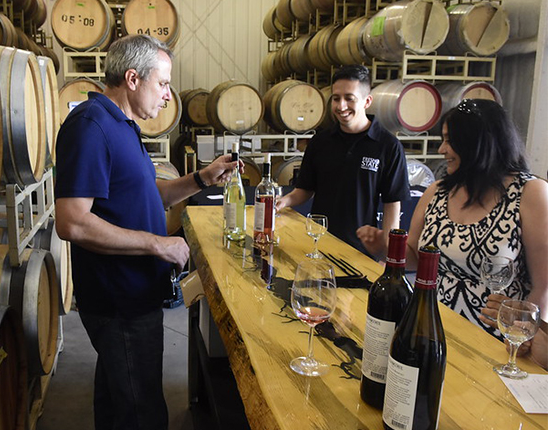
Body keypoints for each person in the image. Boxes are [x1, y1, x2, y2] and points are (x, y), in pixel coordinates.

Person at [54, 35, 239, 429]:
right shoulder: (91, 127)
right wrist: (157, 244)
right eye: (164, 83)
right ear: (133, 79)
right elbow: (71, 221)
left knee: (118, 399)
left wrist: (202, 179)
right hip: (119, 300)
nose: (169, 96)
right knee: (142, 412)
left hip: (134, 295)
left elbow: (149, 194)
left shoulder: (122, 125)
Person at [358, 99, 548, 340]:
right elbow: (416, 258)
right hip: (432, 327)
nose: (441, 149)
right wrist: (385, 248)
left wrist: (522, 335)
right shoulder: (437, 191)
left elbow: (544, 286)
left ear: (476, 143)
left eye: (450, 140)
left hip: (494, 337)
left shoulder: (529, 193)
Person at [276, 65, 410, 257]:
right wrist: (284, 201)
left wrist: (389, 253)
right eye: (336, 98)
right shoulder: (320, 142)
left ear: (367, 101)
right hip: (317, 245)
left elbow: (392, 204)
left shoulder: (387, 146)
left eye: (349, 98)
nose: (341, 106)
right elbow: (304, 190)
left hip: (360, 251)